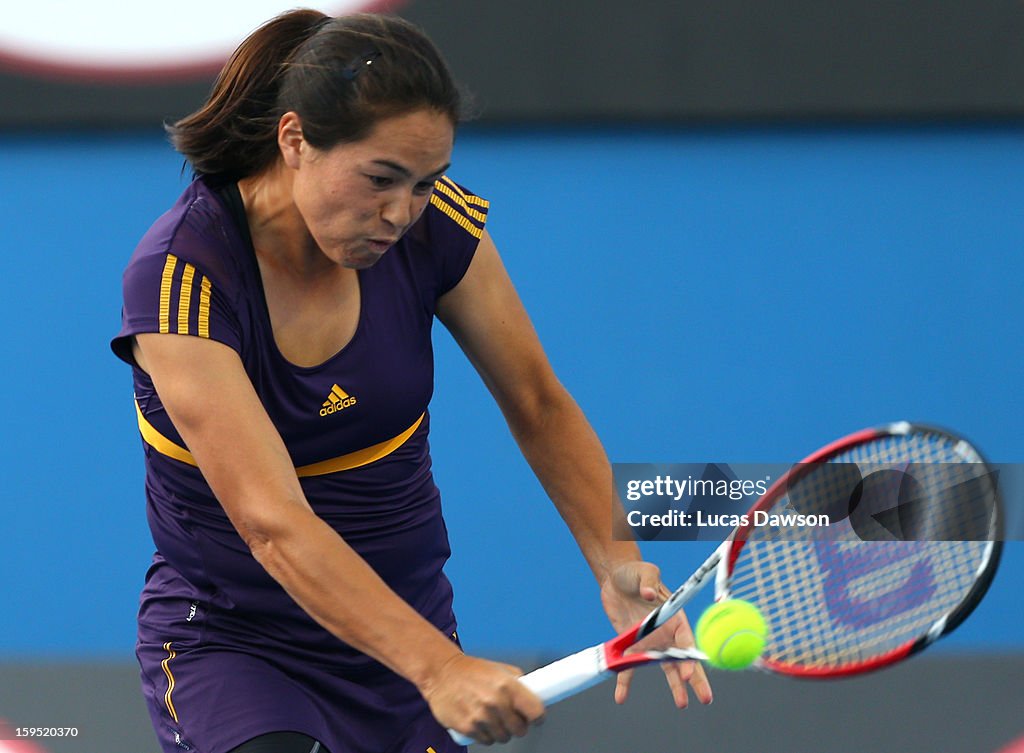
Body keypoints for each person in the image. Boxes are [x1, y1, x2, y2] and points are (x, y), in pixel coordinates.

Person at [111, 9, 711, 753]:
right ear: (293, 139)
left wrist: (618, 563)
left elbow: (537, 400)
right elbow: (274, 524)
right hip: (238, 646)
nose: (400, 211)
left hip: (404, 632)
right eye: (380, 178)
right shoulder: (180, 278)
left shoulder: (436, 226)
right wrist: (440, 668)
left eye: (426, 182)